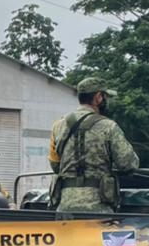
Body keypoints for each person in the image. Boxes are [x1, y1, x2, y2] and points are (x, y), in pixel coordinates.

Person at [48, 76, 139, 213]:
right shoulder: (109, 126)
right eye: (104, 97)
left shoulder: (58, 125)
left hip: (65, 207)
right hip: (99, 207)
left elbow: (55, 165)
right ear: (98, 97)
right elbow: (128, 164)